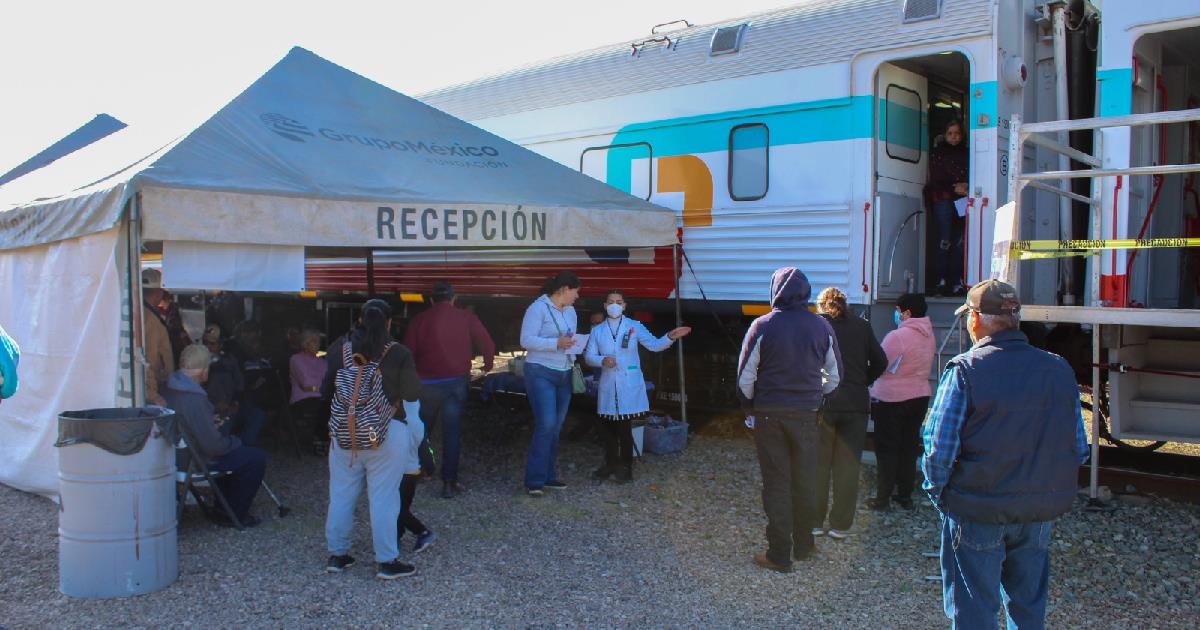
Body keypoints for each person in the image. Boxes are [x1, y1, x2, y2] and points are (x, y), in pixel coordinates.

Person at [924, 280, 1089, 629]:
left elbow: (938, 450)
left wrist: (942, 497)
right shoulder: (1058, 368)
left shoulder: (965, 370)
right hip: (1037, 512)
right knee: (1028, 607)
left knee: (974, 610)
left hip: (977, 508)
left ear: (975, 319)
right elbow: (1078, 447)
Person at [737, 267, 842, 572]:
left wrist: (751, 406)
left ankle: (779, 554)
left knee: (777, 483)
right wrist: (818, 397)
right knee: (804, 480)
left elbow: (745, 377)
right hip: (807, 414)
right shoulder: (821, 327)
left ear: (775, 291)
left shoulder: (762, 326)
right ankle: (805, 545)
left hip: (770, 414)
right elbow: (835, 376)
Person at [321, 299, 423, 580]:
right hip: (387, 432)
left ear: (359, 320)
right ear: (390, 322)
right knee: (383, 498)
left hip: (345, 433)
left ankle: (337, 555)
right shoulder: (399, 353)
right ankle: (386, 560)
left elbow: (325, 390)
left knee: (341, 495)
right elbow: (413, 393)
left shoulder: (338, 350)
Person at [583, 290, 690, 482]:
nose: (615, 305)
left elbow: (654, 345)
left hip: (627, 384)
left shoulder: (634, 326)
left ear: (624, 306)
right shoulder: (597, 330)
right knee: (606, 427)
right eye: (611, 302)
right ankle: (610, 463)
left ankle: (626, 468)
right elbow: (589, 356)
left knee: (624, 428)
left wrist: (670, 336)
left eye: (619, 302)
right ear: (605, 306)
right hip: (608, 384)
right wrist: (602, 360)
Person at [403, 282, 496, 499]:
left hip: (427, 385)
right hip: (456, 383)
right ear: (454, 299)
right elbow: (487, 343)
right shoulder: (466, 318)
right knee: (452, 432)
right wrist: (488, 365)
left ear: (431, 300)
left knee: (421, 430)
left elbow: (408, 352)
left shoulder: (420, 320)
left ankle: (422, 469)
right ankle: (449, 482)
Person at [162, 344, 267, 527]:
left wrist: (211, 423)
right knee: (254, 458)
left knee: (235, 454)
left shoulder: (168, 389)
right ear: (204, 370)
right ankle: (233, 512)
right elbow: (214, 446)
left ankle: (223, 508)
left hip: (174, 456)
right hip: (194, 460)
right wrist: (234, 442)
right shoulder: (194, 398)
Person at [811, 287, 886, 539]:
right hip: (855, 404)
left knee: (818, 465)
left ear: (821, 306)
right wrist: (863, 380)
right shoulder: (862, 327)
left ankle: (814, 521)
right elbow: (881, 361)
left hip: (824, 402)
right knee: (847, 466)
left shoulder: (817, 326)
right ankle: (840, 525)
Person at [868, 293, 935, 511]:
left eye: (897, 310)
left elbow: (880, 363)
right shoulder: (928, 334)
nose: (895, 314)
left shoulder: (897, 336)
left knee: (887, 449)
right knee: (908, 448)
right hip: (920, 397)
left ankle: (882, 498)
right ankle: (904, 495)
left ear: (906, 312)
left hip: (891, 399)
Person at [519, 271, 581, 496]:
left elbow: (570, 337)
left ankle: (548, 476)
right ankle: (534, 481)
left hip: (564, 372)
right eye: (575, 292)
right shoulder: (537, 308)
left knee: (555, 427)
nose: (577, 297)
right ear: (565, 289)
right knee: (546, 425)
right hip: (540, 371)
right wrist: (556, 343)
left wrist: (575, 346)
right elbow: (526, 340)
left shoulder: (571, 311)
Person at [928, 119, 969, 296]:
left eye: (957, 133)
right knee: (944, 241)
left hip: (962, 201)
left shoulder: (968, 153)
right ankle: (940, 280)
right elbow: (936, 178)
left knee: (960, 242)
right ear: (945, 135)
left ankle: (957, 281)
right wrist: (956, 187)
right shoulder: (938, 153)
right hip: (943, 200)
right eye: (950, 133)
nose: (954, 137)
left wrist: (967, 185)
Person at [395, 400, 435, 554]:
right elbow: (426, 449)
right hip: (410, 473)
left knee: (396, 508)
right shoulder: (417, 423)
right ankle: (395, 537)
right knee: (400, 506)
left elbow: (425, 449)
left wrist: (429, 468)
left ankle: (422, 531)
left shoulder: (407, 423)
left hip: (405, 473)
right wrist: (429, 468)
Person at [289, 329, 329, 452]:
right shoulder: (296, 359)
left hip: (320, 396)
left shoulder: (322, 361)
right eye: (315, 341)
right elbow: (306, 385)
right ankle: (320, 441)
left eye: (319, 342)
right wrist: (319, 388)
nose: (318, 344)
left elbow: (328, 381)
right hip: (304, 398)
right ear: (305, 344)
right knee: (325, 406)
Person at [141, 269, 175, 406]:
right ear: (158, 293)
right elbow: (150, 358)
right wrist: (152, 394)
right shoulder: (150, 319)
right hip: (153, 388)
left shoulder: (143, 313)